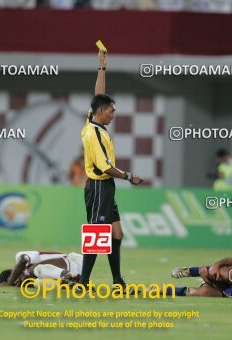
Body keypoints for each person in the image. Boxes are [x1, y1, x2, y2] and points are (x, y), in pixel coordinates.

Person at [79, 50, 144, 292]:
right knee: (97, 235)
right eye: (111, 111)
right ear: (100, 112)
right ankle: (83, 283)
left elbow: (98, 96)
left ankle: (118, 281)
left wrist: (102, 68)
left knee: (116, 234)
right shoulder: (93, 133)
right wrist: (129, 176)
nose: (113, 114)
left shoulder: (92, 122)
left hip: (106, 188)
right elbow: (105, 167)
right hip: (98, 186)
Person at [0, 250, 82, 286]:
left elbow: (23, 260)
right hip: (80, 273)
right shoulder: (26, 281)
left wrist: (9, 284)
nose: (16, 283)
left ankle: (68, 275)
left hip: (74, 261)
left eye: (13, 281)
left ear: (13, 272)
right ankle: (73, 283)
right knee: (37, 283)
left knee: (32, 270)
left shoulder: (19, 257)